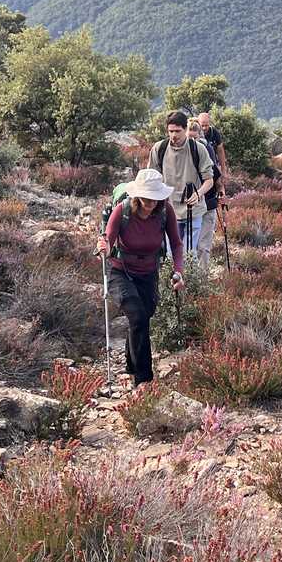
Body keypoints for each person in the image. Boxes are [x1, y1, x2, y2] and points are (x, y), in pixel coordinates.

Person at [98, 168, 185, 385]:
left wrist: (178, 272)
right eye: (147, 198)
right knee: (137, 317)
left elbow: (176, 244)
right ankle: (143, 380)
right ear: (137, 195)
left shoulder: (165, 211)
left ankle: (131, 365)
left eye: (155, 198)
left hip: (148, 272)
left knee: (144, 316)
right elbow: (108, 240)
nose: (151, 203)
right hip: (120, 271)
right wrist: (104, 247)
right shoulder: (122, 211)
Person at [151, 110, 215, 254]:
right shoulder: (159, 149)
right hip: (169, 210)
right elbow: (152, 179)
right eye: (171, 131)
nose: (174, 135)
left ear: (185, 129)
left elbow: (209, 180)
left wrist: (198, 194)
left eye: (177, 131)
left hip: (193, 210)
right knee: (171, 255)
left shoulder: (198, 149)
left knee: (188, 255)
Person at [187, 119, 220, 273]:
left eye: (195, 138)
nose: (192, 142)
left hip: (207, 204)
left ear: (200, 136)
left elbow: (216, 177)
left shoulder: (206, 151)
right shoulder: (179, 154)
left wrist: (221, 193)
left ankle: (202, 279)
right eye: (189, 138)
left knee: (203, 246)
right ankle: (190, 277)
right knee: (190, 245)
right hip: (190, 208)